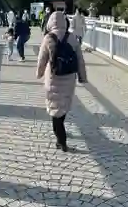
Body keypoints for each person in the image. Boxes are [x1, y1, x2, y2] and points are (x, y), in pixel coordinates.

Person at [36, 11, 87, 152]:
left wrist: (39, 73)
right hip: (69, 78)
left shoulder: (48, 38)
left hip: (53, 77)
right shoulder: (72, 38)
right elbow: (80, 60)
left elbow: (42, 59)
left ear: (50, 23)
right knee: (63, 105)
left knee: (54, 109)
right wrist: (83, 77)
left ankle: (61, 140)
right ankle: (61, 134)